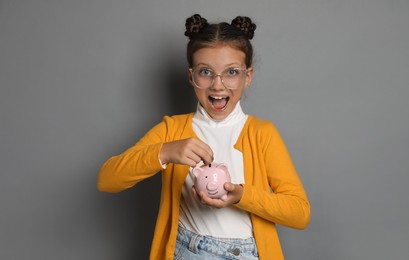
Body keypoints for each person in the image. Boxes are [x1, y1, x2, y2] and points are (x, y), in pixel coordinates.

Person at [97, 14, 310, 260]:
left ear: (247, 76)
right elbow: (107, 179)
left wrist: (243, 196)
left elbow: (300, 213)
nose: (218, 86)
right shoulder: (172, 130)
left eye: (231, 72)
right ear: (191, 76)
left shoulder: (262, 134)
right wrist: (164, 152)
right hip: (186, 251)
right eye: (206, 72)